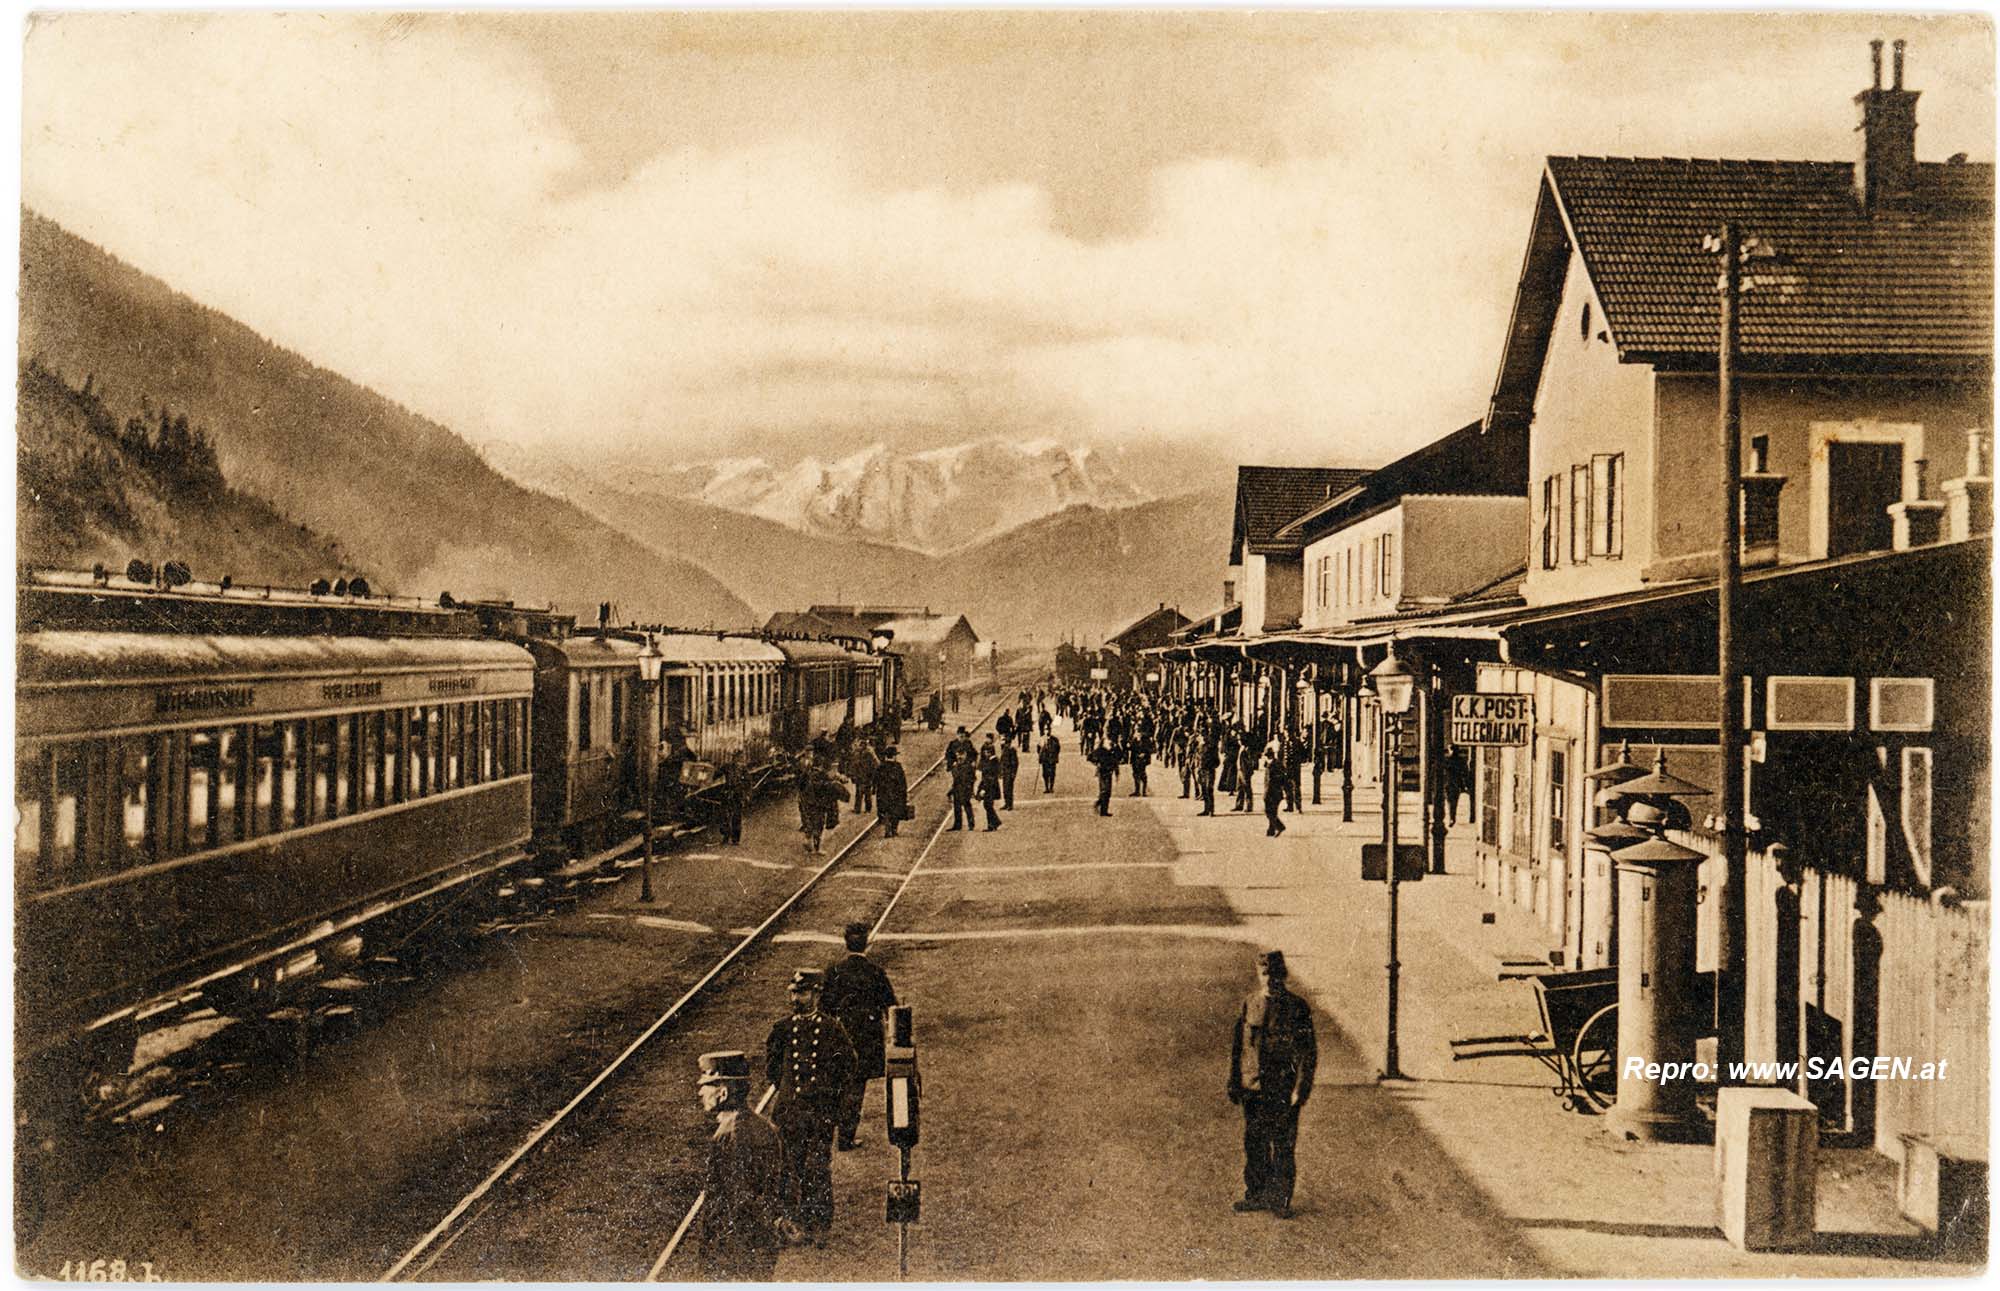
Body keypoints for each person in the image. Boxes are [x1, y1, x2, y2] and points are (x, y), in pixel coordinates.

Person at [766, 968, 857, 1243]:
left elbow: (848, 1067)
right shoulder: (781, 1029)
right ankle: (795, 1222)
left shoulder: (831, 1028)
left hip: (819, 1114)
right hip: (790, 1113)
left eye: (802, 993)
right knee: (789, 1169)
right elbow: (772, 1069)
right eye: (793, 992)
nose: (796, 998)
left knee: (817, 1169)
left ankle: (820, 1224)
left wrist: (832, 1103)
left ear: (816, 994)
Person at [1227, 950, 1316, 1219]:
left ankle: (1280, 1199)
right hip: (1254, 1086)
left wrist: (1301, 1088)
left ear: (1284, 975)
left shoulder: (1297, 1008)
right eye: (1265, 974)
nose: (1270, 980)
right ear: (1259, 974)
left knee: (1282, 1143)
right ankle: (1256, 1194)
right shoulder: (1249, 1004)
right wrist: (1234, 1081)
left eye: (1275, 974)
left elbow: (1308, 1053)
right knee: (1254, 1141)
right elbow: (1238, 1047)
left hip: (1283, 1088)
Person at [694, 1050, 787, 1278]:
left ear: (723, 1093)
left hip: (735, 1246)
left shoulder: (731, 1133)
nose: (700, 1092)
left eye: (707, 1085)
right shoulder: (762, 1126)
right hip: (759, 1241)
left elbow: (736, 1197)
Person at [822, 922, 898, 1152]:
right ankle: (846, 1137)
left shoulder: (834, 971)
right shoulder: (875, 972)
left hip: (840, 1035)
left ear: (845, 943)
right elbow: (890, 1006)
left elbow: (825, 1007)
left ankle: (831, 1133)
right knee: (856, 1088)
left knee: (838, 1086)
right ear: (868, 943)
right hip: (867, 1039)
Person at [875, 745, 909, 838]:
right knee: (896, 812)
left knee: (886, 812)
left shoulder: (881, 767)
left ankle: (887, 829)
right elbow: (902, 781)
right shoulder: (897, 766)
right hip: (896, 794)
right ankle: (894, 830)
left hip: (883, 794)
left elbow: (876, 780)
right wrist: (904, 793)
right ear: (894, 756)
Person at [948, 741, 978, 831]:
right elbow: (955, 779)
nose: (959, 757)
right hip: (957, 789)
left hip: (965, 789)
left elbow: (973, 779)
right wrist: (951, 791)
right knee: (956, 807)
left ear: (965, 755)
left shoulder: (969, 766)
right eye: (958, 755)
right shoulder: (956, 766)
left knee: (967, 806)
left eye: (961, 755)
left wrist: (970, 790)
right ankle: (957, 825)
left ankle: (971, 824)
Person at [976, 735, 1004, 831]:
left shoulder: (992, 762)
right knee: (988, 805)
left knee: (987, 805)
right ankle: (994, 823)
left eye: (986, 752)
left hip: (990, 787)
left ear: (989, 752)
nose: (985, 754)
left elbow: (989, 777)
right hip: (991, 786)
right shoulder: (992, 761)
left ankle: (992, 824)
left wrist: (983, 789)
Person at [716, 760, 744, 846]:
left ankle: (735, 839)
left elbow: (747, 782)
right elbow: (716, 774)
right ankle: (726, 837)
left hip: (737, 794)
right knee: (724, 816)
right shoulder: (726, 766)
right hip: (727, 792)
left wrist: (746, 795)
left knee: (736, 816)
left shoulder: (742, 768)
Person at [1089, 741, 1122, 816]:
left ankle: (1102, 808)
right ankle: (1102, 809)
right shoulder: (1100, 750)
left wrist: (1116, 747)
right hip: (1102, 772)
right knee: (1105, 790)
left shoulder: (1114, 748)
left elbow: (1119, 757)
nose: (1109, 743)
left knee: (1107, 792)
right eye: (1108, 742)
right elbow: (1090, 757)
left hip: (1110, 772)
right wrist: (1097, 763)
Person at [1262, 748, 1287, 837]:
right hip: (1277, 792)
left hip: (1271, 793)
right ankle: (1271, 830)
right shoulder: (1278, 763)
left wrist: (1265, 794)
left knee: (1268, 811)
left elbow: (1269, 781)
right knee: (1273, 811)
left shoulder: (1271, 766)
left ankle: (1280, 826)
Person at [850, 740, 878, 817]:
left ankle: (867, 809)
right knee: (859, 792)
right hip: (860, 776)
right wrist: (853, 775)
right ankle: (858, 809)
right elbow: (853, 765)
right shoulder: (857, 753)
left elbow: (875, 765)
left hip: (867, 776)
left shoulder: (869, 753)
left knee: (866, 793)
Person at [999, 736, 1020, 810]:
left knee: (1009, 789)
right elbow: (1001, 762)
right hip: (1005, 771)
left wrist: (1013, 773)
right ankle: (1006, 803)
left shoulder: (1012, 750)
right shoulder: (1004, 749)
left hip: (1009, 771)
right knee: (1005, 789)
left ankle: (1010, 804)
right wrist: (1000, 772)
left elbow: (1015, 763)